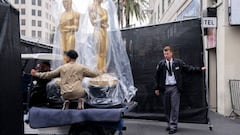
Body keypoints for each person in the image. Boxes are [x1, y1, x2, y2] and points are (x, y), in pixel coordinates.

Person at [154, 45, 206, 134]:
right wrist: (156, 88)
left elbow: (188, 68)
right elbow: (156, 77)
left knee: (174, 107)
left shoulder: (178, 62)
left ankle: (173, 126)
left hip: (175, 87)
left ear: (171, 53)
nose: (166, 55)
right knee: (167, 108)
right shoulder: (161, 64)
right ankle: (169, 124)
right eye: (164, 54)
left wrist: (199, 69)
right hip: (165, 88)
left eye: (167, 53)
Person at [31, 50, 100, 109]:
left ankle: (67, 101)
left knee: (61, 89)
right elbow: (94, 74)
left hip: (65, 94)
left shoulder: (62, 68)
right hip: (78, 93)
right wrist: (101, 72)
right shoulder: (82, 67)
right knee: (86, 90)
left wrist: (36, 74)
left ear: (68, 57)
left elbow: (49, 75)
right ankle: (80, 100)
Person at [89, 0, 109, 72]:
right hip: (97, 30)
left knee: (104, 50)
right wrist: (103, 19)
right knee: (98, 50)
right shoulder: (92, 8)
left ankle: (103, 68)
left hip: (104, 31)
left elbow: (107, 24)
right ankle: (98, 69)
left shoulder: (104, 10)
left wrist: (102, 22)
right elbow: (93, 22)